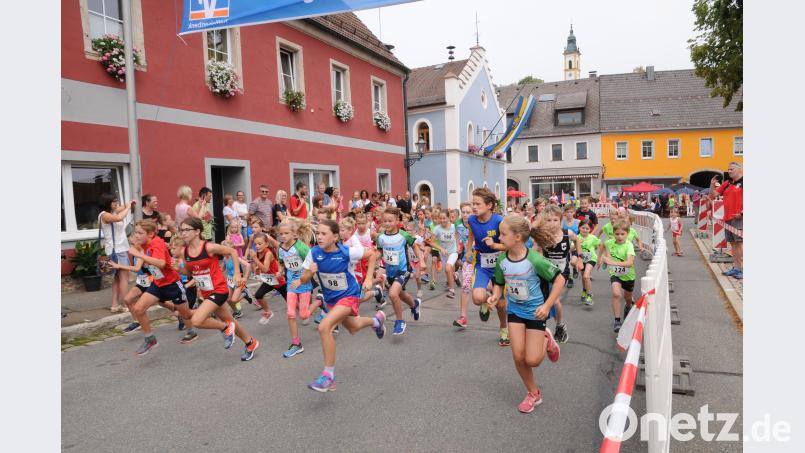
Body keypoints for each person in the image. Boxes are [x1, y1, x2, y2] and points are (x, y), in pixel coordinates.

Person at [293, 220, 386, 392]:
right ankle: (376, 321)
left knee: (324, 327)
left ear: (335, 237)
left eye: (324, 234)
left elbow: (372, 254)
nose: (319, 237)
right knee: (353, 327)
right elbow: (304, 278)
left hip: (349, 296)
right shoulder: (314, 253)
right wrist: (309, 274)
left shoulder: (347, 252)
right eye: (318, 233)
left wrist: (367, 279)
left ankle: (328, 376)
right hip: (332, 300)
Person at [487, 215, 563, 413]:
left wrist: (547, 306)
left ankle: (547, 338)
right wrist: (495, 295)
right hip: (515, 311)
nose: (500, 238)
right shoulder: (502, 259)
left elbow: (559, 280)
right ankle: (533, 393)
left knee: (533, 360)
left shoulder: (534, 259)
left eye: (503, 234)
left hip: (536, 312)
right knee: (518, 356)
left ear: (518, 237)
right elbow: (499, 282)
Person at [179, 218, 260, 361]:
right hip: (206, 291)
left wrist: (236, 273)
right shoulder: (185, 252)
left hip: (219, 290)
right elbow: (189, 272)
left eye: (186, 230)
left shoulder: (208, 247)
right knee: (230, 320)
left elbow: (232, 252)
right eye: (181, 230)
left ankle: (224, 328)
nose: (183, 233)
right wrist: (178, 269)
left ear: (197, 231)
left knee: (197, 321)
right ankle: (250, 342)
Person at [127, 220, 194, 355]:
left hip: (172, 284)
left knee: (186, 314)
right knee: (138, 308)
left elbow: (161, 263)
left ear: (151, 234)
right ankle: (150, 339)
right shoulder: (144, 245)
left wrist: (139, 254)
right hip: (157, 284)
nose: (137, 236)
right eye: (136, 233)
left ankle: (196, 325)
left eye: (140, 233)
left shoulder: (156, 242)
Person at [466, 187, 509, 346]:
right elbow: (471, 235)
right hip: (481, 265)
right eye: (473, 203)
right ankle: (485, 301)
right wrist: (469, 249)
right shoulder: (471, 220)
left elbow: (510, 245)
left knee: (501, 304)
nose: (474, 207)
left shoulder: (499, 222)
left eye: (478, 204)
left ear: (489, 205)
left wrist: (495, 245)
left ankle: (504, 328)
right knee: (477, 298)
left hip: (499, 266)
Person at [534, 205, 579, 343]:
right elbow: (536, 251)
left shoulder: (567, 233)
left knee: (555, 300)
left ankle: (560, 325)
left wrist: (577, 256)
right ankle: (541, 328)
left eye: (555, 220)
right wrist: (538, 253)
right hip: (545, 271)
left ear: (561, 221)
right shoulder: (541, 235)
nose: (552, 223)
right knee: (542, 299)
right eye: (548, 220)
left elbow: (577, 240)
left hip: (562, 272)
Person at [376, 207, 425, 335]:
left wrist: (422, 261)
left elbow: (414, 246)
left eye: (390, 221)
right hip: (390, 271)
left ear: (397, 220)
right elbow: (380, 252)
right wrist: (373, 259)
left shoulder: (403, 235)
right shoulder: (380, 237)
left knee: (393, 294)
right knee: (400, 295)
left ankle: (400, 321)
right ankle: (414, 305)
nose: (387, 223)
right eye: (385, 221)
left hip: (403, 270)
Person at [277, 218, 321, 358]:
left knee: (304, 315)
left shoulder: (301, 247)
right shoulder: (281, 248)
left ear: (294, 234)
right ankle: (296, 343)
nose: (283, 236)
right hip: (290, 284)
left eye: (286, 233)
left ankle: (320, 300)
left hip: (304, 283)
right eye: (281, 234)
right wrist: (279, 270)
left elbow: (311, 265)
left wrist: (304, 278)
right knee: (290, 313)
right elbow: (281, 262)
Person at [98, 194, 134, 313]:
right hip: (117, 250)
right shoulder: (105, 215)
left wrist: (129, 203)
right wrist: (128, 208)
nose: (116, 204)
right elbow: (119, 217)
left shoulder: (111, 212)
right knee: (124, 278)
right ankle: (126, 305)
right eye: (114, 202)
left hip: (116, 249)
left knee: (117, 278)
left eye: (116, 201)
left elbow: (120, 209)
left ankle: (114, 305)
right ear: (107, 203)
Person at [600, 219, 637, 333]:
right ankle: (617, 320)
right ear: (613, 233)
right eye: (617, 234)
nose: (619, 236)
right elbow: (603, 246)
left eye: (622, 234)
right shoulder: (609, 242)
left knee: (628, 298)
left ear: (627, 234)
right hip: (615, 273)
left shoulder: (629, 245)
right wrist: (601, 258)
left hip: (628, 275)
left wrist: (611, 262)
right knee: (616, 294)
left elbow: (630, 262)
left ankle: (628, 305)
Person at [711, 162, 743, 279]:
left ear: (740, 170)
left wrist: (742, 213)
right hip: (728, 218)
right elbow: (713, 195)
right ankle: (736, 268)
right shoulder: (727, 183)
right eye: (728, 169)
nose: (729, 171)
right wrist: (711, 185)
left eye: (732, 169)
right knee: (733, 244)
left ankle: (742, 269)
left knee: (739, 243)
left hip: (739, 218)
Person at [249, 232, 287, 325]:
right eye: (256, 244)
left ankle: (304, 311)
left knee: (291, 303)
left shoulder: (268, 253)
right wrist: (256, 268)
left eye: (260, 244)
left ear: (266, 244)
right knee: (258, 295)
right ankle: (268, 312)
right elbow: (259, 268)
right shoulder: (258, 253)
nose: (257, 246)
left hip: (278, 281)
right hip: (269, 280)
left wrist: (255, 259)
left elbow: (265, 268)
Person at [453, 202, 473, 329]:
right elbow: (456, 235)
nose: (465, 215)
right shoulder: (458, 224)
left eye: (468, 212)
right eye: (463, 212)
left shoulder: (477, 223)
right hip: (468, 259)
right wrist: (457, 247)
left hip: (482, 259)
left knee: (484, 288)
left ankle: (487, 299)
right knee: (466, 286)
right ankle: (463, 317)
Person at [431, 211, 460, 299]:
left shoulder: (453, 226)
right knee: (448, 270)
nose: (442, 220)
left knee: (448, 269)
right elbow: (431, 242)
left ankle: (451, 291)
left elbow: (457, 236)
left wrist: (458, 247)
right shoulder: (437, 229)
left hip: (453, 252)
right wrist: (441, 249)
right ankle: (455, 276)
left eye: (444, 218)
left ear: (448, 218)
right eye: (440, 218)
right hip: (444, 253)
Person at [577, 220, 600, 306]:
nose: (585, 230)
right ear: (579, 228)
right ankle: (584, 290)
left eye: (587, 228)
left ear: (590, 230)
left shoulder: (592, 238)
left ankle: (589, 295)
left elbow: (599, 245)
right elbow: (571, 249)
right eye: (583, 228)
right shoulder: (576, 237)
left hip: (591, 258)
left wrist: (600, 256)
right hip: (581, 260)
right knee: (583, 277)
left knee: (586, 276)